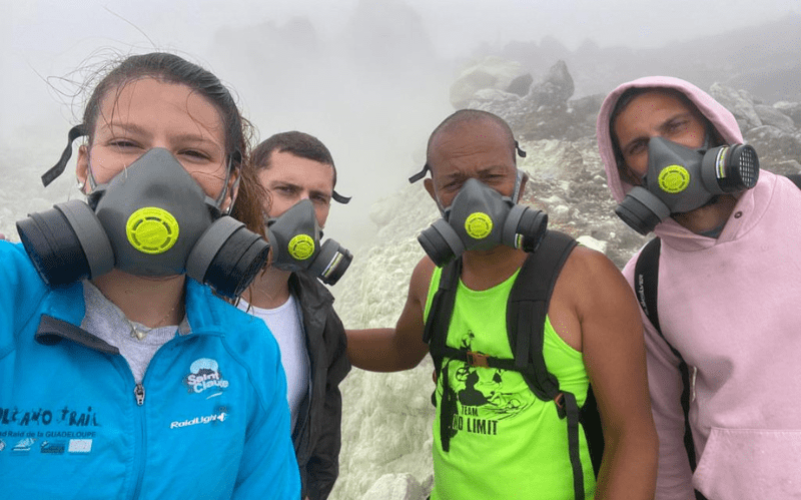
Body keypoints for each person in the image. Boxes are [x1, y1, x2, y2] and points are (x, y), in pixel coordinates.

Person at [0, 52, 300, 499]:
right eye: (125, 144)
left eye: (194, 152)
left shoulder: (247, 351)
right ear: (84, 166)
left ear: (231, 185)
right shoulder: (10, 293)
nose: (157, 173)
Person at [347, 109, 658, 500]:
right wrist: (319, 334)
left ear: (520, 184)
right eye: (454, 183)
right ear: (432, 192)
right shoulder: (432, 275)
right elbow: (401, 348)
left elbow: (631, 436)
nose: (475, 197)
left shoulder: (585, 279)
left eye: (493, 177)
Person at [596, 76, 801, 499]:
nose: (663, 155)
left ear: (712, 128)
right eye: (639, 147)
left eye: (675, 127)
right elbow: (659, 428)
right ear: (628, 173)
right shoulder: (644, 279)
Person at [231, 131, 351, 500]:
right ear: (247, 189)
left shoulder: (320, 319)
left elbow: (322, 441)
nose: (304, 211)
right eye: (286, 190)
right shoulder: (188, 292)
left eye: (318, 198)